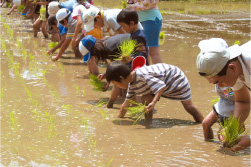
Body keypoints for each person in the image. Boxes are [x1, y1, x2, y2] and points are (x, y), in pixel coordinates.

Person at [105, 61, 204, 122]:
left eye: (115, 83)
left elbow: (161, 87)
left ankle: (201, 122)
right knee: (145, 99)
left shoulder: (142, 75)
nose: (116, 86)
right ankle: (148, 122)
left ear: (121, 78)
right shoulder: (132, 84)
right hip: (163, 81)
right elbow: (126, 103)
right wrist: (119, 119)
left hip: (175, 78)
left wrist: (153, 102)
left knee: (188, 105)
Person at [196, 38, 251, 125]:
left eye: (220, 82)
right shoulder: (234, 71)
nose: (221, 86)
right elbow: (242, 101)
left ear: (232, 68)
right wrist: (233, 127)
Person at [127, 0, 162, 64]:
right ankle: (146, 71)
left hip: (151, 20)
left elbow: (150, 3)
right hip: (138, 20)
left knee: (152, 50)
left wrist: (131, 7)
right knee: (143, 50)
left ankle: (159, 73)